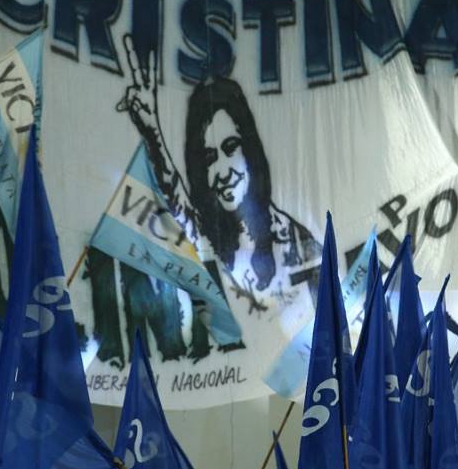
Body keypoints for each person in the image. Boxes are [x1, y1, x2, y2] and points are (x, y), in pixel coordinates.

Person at [118, 43, 321, 315]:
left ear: (251, 150)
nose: (223, 172)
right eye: (210, 158)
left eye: (231, 148)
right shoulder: (206, 235)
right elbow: (174, 197)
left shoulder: (299, 242)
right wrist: (152, 133)